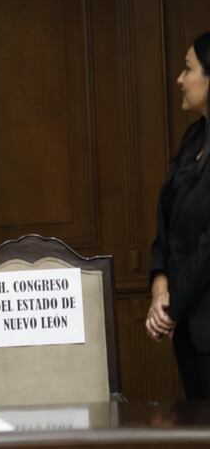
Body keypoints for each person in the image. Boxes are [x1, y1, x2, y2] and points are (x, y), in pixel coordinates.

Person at [146, 32, 210, 400]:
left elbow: (208, 248)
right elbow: (166, 224)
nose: (180, 80)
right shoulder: (192, 140)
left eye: (188, 69)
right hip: (187, 326)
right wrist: (158, 284)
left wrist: (170, 306)